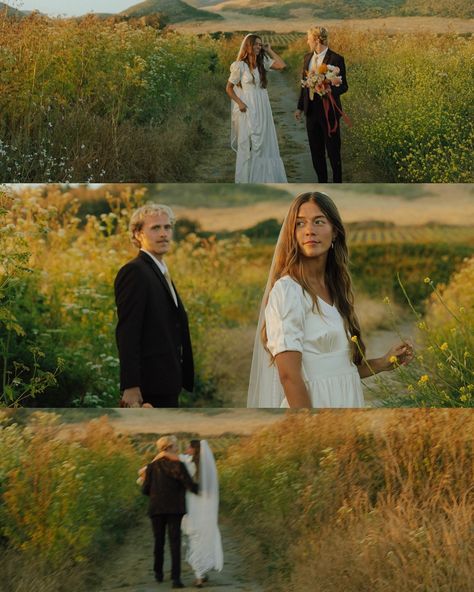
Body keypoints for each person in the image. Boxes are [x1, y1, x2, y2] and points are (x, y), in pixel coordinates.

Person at [247, 191, 414, 408]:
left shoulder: (335, 289)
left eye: (319, 222)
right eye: (300, 224)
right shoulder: (288, 291)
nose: (309, 231)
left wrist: (383, 362)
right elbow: (289, 376)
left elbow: (341, 370)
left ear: (335, 231)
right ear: (292, 234)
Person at [114, 203, 194, 408]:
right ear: (138, 233)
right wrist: (131, 385)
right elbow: (127, 332)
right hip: (148, 386)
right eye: (155, 228)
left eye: (167, 227)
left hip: (167, 381)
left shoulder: (159, 270)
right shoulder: (134, 272)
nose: (163, 234)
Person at [226, 33, 287, 183]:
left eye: (260, 44)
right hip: (248, 107)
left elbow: (282, 65)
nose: (259, 47)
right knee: (248, 141)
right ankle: (247, 178)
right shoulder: (239, 66)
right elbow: (228, 88)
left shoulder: (263, 62)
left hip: (263, 106)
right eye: (256, 44)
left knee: (264, 142)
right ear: (249, 46)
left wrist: (269, 50)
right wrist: (239, 103)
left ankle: (263, 177)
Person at [142, 435, 199, 589]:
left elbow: (145, 489)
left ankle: (158, 573)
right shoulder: (178, 465)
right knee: (175, 542)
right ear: (167, 448)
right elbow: (190, 485)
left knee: (158, 541)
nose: (177, 449)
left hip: (156, 508)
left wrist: (156, 493)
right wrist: (203, 489)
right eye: (175, 446)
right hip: (174, 508)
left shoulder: (151, 467)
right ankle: (176, 579)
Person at [295, 26, 348, 183]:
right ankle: (322, 182)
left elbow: (344, 86)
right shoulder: (307, 58)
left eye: (309, 38)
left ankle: (338, 182)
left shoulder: (336, 59)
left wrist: (328, 90)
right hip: (310, 112)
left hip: (329, 112)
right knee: (316, 152)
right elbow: (303, 85)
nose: (307, 41)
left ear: (317, 39)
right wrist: (299, 107)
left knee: (333, 151)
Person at [180, 440, 224, 588]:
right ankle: (202, 572)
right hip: (207, 506)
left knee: (195, 536)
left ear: (194, 449)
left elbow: (172, 458)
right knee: (205, 535)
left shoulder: (187, 463)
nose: (186, 449)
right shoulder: (208, 468)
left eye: (188, 447)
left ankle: (199, 575)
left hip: (193, 505)